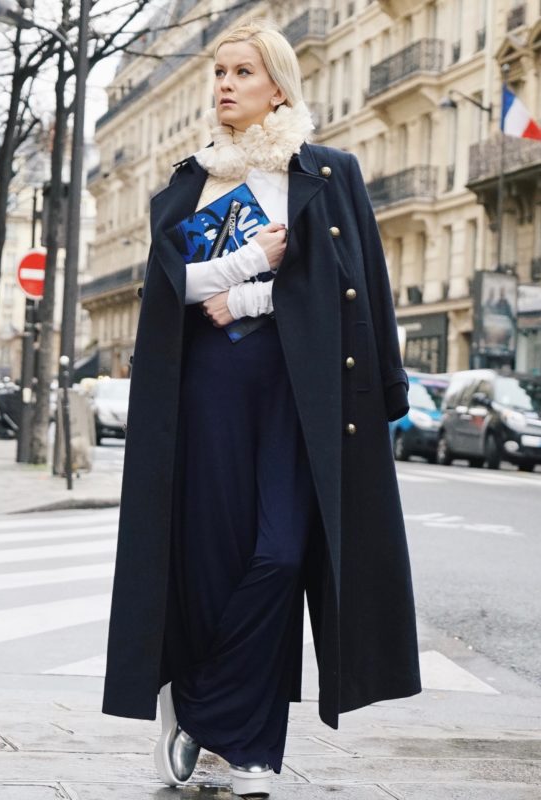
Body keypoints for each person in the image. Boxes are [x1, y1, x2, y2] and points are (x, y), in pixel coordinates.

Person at [102, 20, 421, 798]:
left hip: (298, 395)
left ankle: (201, 708)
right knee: (212, 560)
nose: (223, 86)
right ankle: (239, 750)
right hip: (205, 389)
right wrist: (250, 261)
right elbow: (174, 289)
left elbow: (356, 286)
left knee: (281, 555)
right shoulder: (188, 181)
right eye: (218, 72)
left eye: (241, 72)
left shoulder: (327, 173)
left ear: (278, 84)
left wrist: (384, 388)